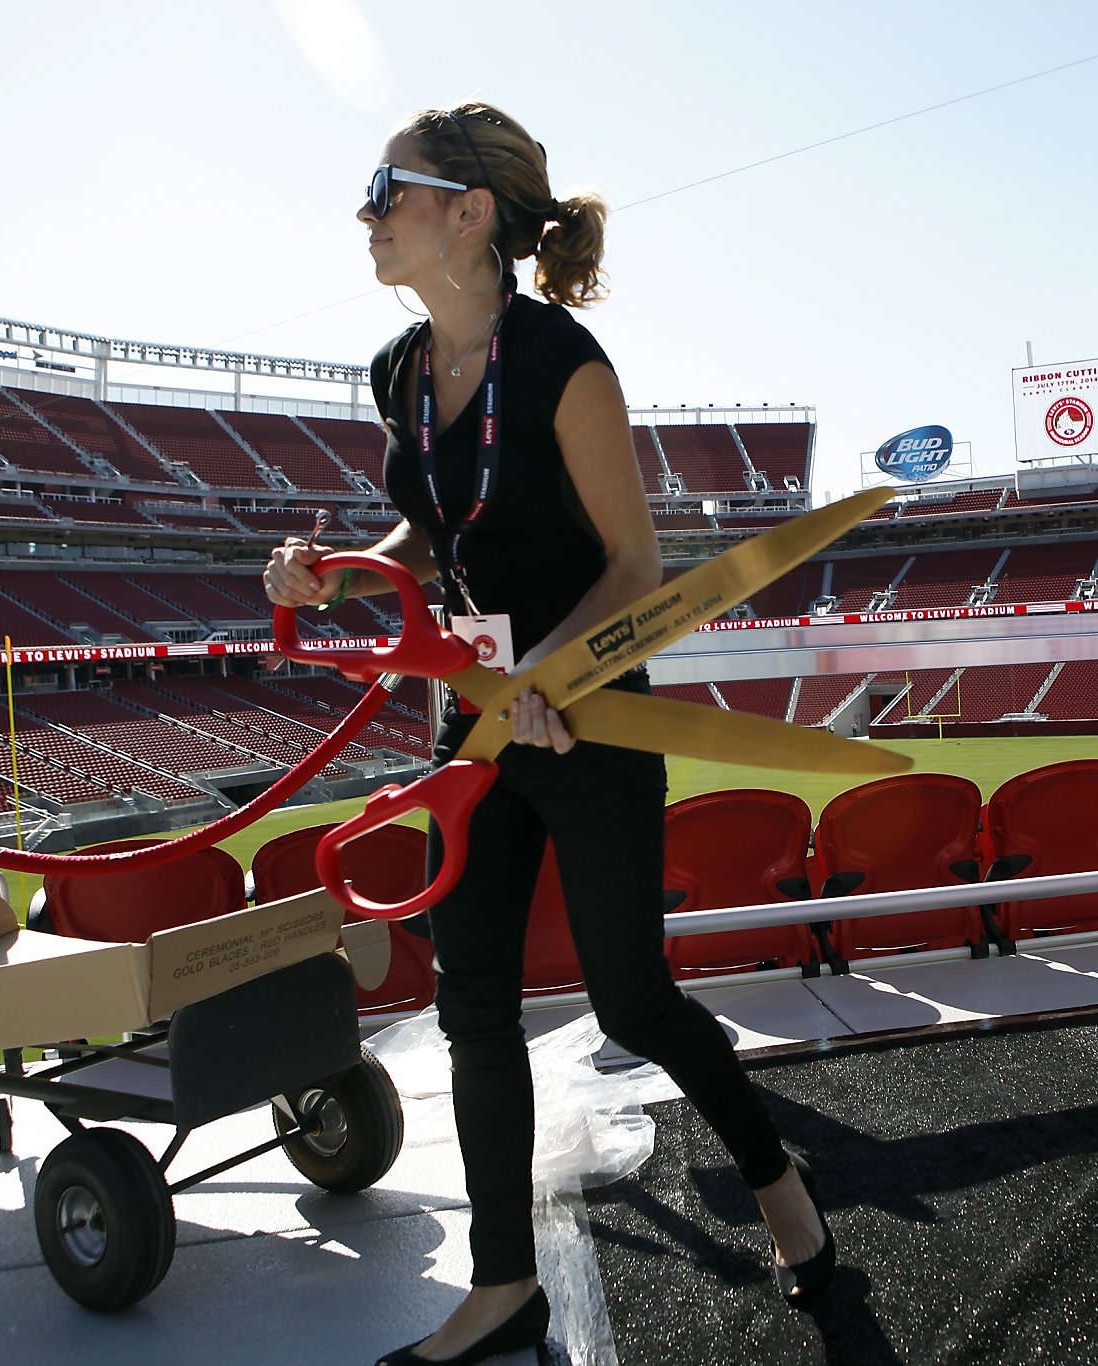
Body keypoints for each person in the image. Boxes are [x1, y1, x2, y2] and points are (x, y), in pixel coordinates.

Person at [262, 104, 831, 1366]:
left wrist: (551, 675)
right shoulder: (399, 370)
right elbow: (438, 528)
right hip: (470, 724)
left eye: (384, 188)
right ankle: (499, 1279)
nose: (365, 213)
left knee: (632, 998)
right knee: (471, 1004)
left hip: (586, 718)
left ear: (466, 213)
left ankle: (783, 1190)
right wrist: (339, 576)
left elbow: (636, 564)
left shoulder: (566, 362)